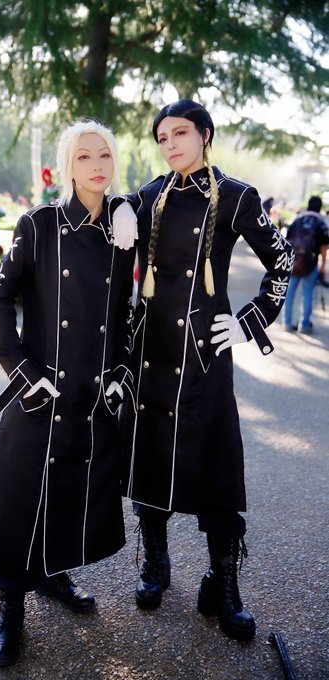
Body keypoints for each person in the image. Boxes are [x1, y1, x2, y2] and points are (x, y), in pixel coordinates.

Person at [0, 120, 137, 667]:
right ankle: (10, 607)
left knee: (70, 489)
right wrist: (19, 369)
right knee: (21, 499)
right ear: (67, 166)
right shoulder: (39, 224)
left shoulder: (123, 230)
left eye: (104, 154)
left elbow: (128, 312)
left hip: (92, 391)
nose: (97, 165)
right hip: (42, 387)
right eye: (84, 156)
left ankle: (53, 574)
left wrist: (119, 373)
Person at [121, 99, 294, 642]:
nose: (170, 144)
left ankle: (223, 582)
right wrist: (117, 212)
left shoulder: (237, 196)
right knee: (151, 458)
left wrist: (251, 321)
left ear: (205, 134)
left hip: (205, 355)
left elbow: (283, 259)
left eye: (180, 133)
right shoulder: (147, 195)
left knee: (216, 466)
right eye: (162, 137)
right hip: (151, 352)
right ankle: (156, 562)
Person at [283, 195, 329, 334]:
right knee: (308, 294)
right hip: (310, 265)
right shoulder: (321, 223)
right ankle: (304, 325)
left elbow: (286, 241)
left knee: (289, 293)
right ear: (320, 207)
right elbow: (324, 248)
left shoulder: (297, 220)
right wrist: (322, 267)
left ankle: (287, 323)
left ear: (308, 205)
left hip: (293, 263)